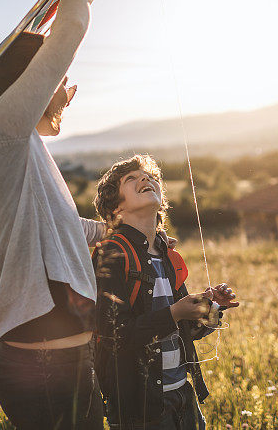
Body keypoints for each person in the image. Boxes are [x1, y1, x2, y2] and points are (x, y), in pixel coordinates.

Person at [0, 0, 105, 429]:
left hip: (78, 361)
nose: (67, 91)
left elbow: (65, 228)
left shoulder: (25, 148)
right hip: (39, 370)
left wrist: (125, 230)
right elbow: (64, 38)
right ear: (33, 82)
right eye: (61, 82)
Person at [92, 154, 239, 429]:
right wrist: (174, 312)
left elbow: (184, 331)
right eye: (131, 179)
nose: (145, 179)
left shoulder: (166, 254)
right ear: (116, 207)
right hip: (141, 408)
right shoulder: (112, 253)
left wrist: (210, 308)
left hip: (183, 395)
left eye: (150, 177)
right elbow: (113, 338)